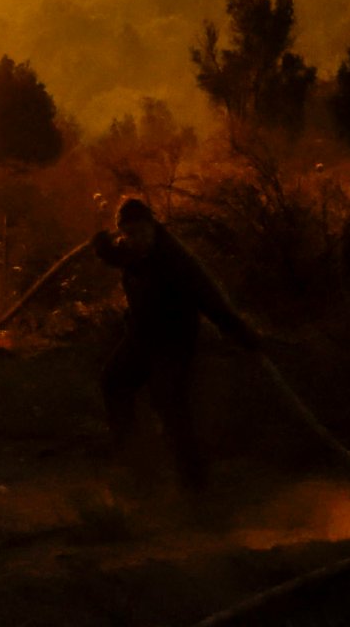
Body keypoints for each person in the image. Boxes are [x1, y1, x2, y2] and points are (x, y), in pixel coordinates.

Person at [94, 196, 261, 489]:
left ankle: (194, 482)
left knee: (168, 401)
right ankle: (135, 461)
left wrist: (240, 332)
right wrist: (102, 248)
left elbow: (211, 300)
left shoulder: (176, 260)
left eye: (142, 232)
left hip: (173, 341)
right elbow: (117, 256)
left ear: (154, 227)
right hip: (141, 337)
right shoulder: (130, 250)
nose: (137, 240)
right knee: (113, 381)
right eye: (129, 234)